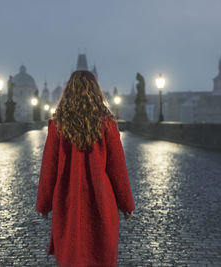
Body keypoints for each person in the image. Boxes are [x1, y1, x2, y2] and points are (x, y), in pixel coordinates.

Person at [35, 70, 135, 267]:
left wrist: (44, 204)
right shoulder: (108, 125)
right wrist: (126, 204)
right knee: (101, 255)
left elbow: (49, 169)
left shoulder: (57, 126)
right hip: (101, 200)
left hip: (67, 201)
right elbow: (118, 170)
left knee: (71, 256)